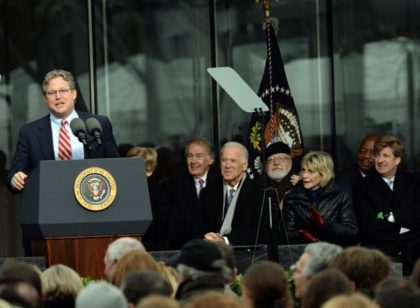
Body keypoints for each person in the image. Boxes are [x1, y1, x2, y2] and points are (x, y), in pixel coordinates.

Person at [6, 69, 119, 192]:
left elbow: (116, 167)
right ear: (45, 98)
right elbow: (14, 173)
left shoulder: (98, 124)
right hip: (50, 201)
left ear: (74, 94)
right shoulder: (29, 132)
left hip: (93, 198)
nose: (58, 96)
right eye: (52, 92)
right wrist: (15, 179)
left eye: (63, 91)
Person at [354, 135, 420, 273]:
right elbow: (369, 225)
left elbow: (417, 216)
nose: (380, 160)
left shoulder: (413, 182)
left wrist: (387, 215)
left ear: (397, 160)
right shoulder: (363, 186)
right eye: (377, 155)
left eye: (385, 156)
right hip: (381, 255)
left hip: (413, 255)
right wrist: (403, 223)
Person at [283, 151, 358, 245]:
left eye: (310, 171)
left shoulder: (341, 196)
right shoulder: (292, 198)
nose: (304, 175)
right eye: (303, 170)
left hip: (332, 253)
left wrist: (326, 226)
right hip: (303, 253)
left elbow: (351, 233)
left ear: (323, 174)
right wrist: (304, 235)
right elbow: (287, 235)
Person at [163, 137, 221, 249]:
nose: (193, 161)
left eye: (199, 156)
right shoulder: (173, 186)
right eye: (190, 156)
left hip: (217, 248)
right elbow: (173, 228)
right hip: (185, 248)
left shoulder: (221, 181)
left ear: (211, 160)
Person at [202, 142, 262, 245]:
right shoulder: (208, 192)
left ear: (244, 166)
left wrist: (224, 241)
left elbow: (258, 232)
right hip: (211, 254)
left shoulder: (259, 192)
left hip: (246, 256)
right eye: (224, 160)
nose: (227, 165)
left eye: (233, 161)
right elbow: (200, 227)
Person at [253, 142, 299, 245]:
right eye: (270, 160)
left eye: (282, 158)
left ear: (291, 162)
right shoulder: (254, 191)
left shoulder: (300, 188)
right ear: (264, 166)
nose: (276, 163)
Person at [127, 147, 170, 250]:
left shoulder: (158, 195)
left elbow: (159, 230)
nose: (129, 170)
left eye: (134, 166)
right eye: (127, 165)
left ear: (149, 170)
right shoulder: (123, 190)